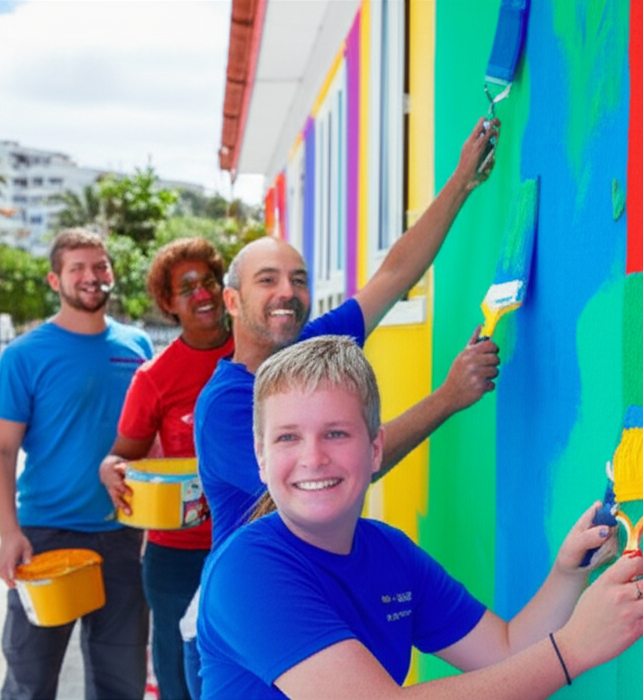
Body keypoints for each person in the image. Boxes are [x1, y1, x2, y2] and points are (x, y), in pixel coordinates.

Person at [185, 116, 503, 696]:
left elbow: (394, 274)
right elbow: (338, 472)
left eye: (299, 279)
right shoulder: (227, 404)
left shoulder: (311, 351)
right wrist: (448, 399)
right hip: (265, 612)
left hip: (329, 585)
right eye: (267, 280)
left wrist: (461, 181)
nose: (288, 291)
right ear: (232, 300)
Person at [197, 336, 643, 699]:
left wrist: (567, 575)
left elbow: (503, 649)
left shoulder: (388, 551)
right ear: (259, 457)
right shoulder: (247, 571)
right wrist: (574, 650)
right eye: (287, 438)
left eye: (336, 433)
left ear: (375, 447)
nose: (313, 457)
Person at [0, 228, 153, 700]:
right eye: (77, 267)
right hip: (45, 540)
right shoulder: (24, 355)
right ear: (54, 280)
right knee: (30, 679)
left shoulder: (137, 346)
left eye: (100, 266)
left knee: (120, 682)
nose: (91, 277)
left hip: (121, 536)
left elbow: (149, 439)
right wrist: (8, 533)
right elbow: (0, 449)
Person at [98, 237, 232, 700]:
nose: (203, 294)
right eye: (187, 286)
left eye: (210, 281)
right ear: (168, 303)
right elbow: (123, 455)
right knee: (179, 682)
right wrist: (110, 470)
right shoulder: (155, 378)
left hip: (248, 541)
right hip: (176, 555)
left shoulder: (258, 352)